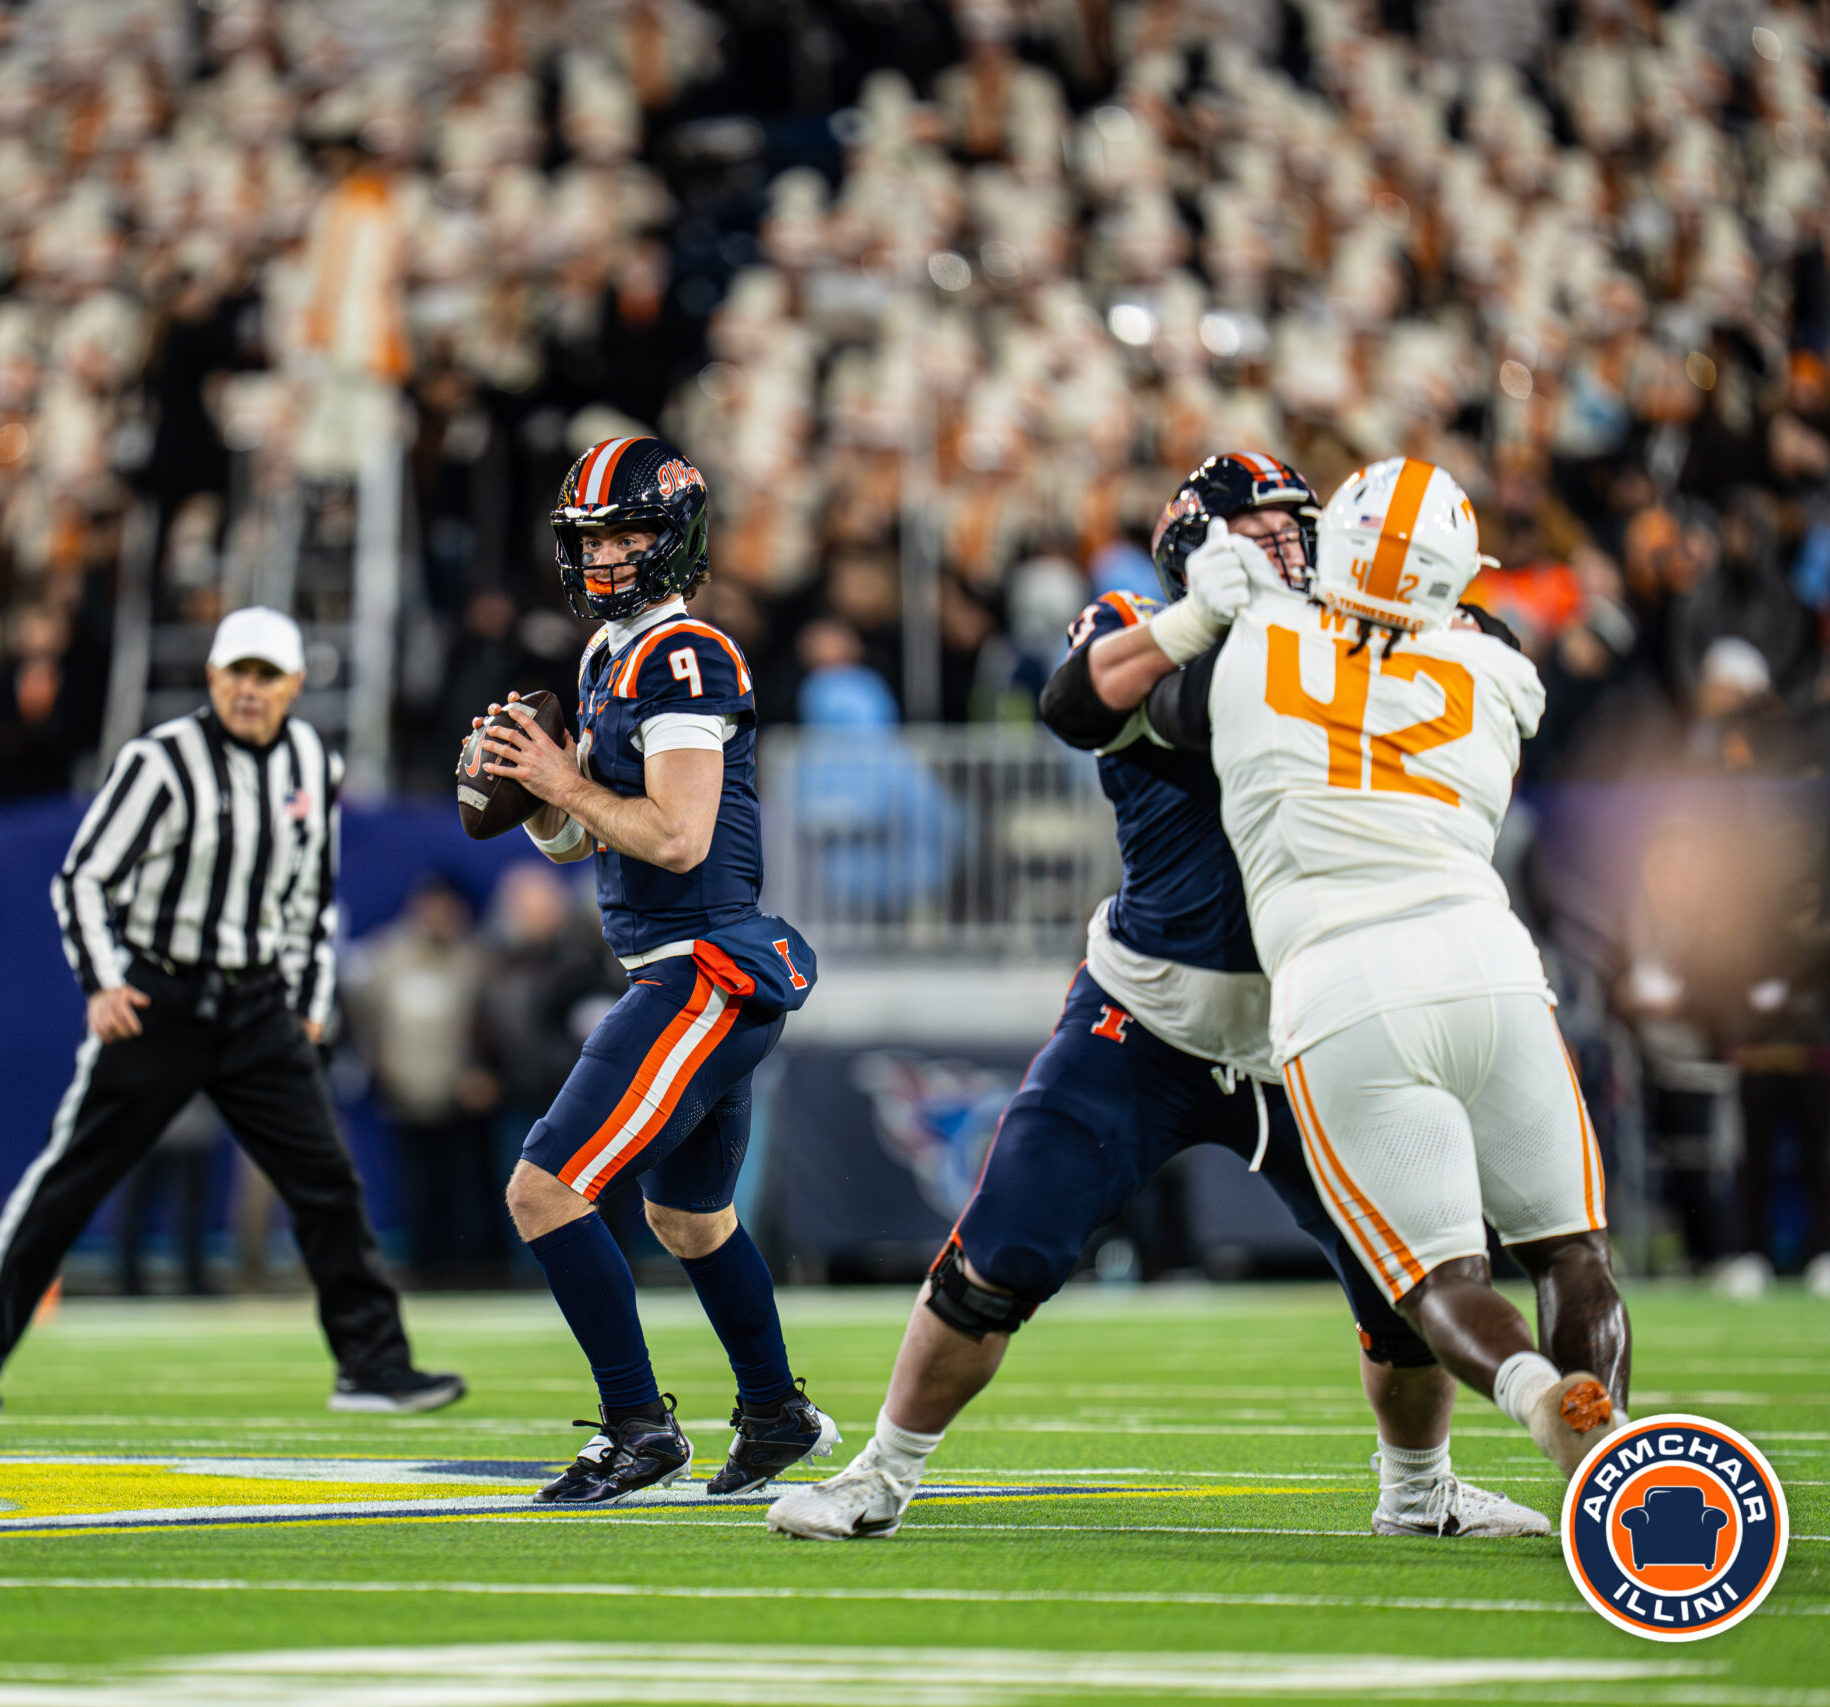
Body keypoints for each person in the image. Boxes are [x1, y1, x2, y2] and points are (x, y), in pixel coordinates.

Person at [766, 455, 1548, 1542]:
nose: (1289, 548)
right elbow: (1075, 701)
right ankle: (882, 1474)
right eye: (1261, 529)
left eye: (1297, 528)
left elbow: (1493, 655)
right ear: (1197, 541)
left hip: (1309, 1027)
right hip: (1148, 1016)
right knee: (999, 1257)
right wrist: (1194, 625)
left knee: (1404, 1285)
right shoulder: (1152, 625)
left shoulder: (1345, 635)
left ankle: (1419, 1495)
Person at [1203, 456, 1632, 1478]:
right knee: (1572, 1251)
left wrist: (1206, 600)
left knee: (1438, 1275)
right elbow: (1486, 662)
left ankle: (1538, 1397)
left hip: (1343, 981)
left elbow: (1153, 682)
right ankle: (1605, 1475)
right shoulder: (1493, 671)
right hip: (1486, 960)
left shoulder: (1251, 636)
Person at [476, 434, 833, 1505]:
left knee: (546, 1187)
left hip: (702, 969)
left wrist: (559, 780)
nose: (606, 555)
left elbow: (675, 838)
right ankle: (776, 1413)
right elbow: (586, 841)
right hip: (674, 968)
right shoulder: (606, 658)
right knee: (688, 1220)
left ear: (673, 537)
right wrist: (541, 795)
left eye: (627, 532)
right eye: (592, 537)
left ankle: (639, 1427)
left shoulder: (689, 655)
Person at [0, 606, 463, 1414]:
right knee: (70, 1183)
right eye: (237, 673)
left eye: (266, 675)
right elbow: (81, 875)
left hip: (257, 1006)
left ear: (294, 684)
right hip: (162, 997)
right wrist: (105, 980)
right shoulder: (162, 760)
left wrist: (308, 1006)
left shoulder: (311, 762)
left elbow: (312, 899)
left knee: (327, 1181)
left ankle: (372, 1363)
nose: (250, 689)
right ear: (213, 677)